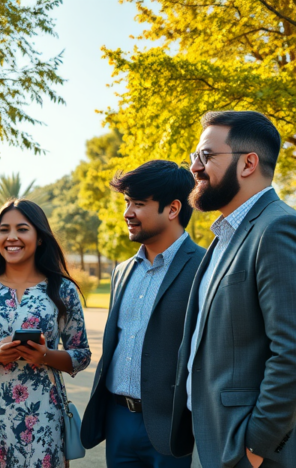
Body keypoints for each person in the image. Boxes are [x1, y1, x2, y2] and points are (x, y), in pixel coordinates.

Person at [170, 111, 296, 468]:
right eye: (195, 156)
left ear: (248, 163)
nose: (194, 167)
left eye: (206, 156)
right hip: (218, 441)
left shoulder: (280, 229)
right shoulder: (226, 235)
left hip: (259, 453)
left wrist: (256, 447)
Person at [0, 199, 91, 468]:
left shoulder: (63, 290)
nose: (11, 237)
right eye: (4, 229)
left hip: (42, 412)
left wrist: (46, 355)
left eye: (22, 229)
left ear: (39, 238)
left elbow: (81, 355)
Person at [80, 160, 203, 466]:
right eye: (126, 203)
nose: (127, 213)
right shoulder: (121, 272)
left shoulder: (206, 267)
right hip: (118, 418)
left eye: (138, 204)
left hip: (170, 423)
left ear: (173, 209)